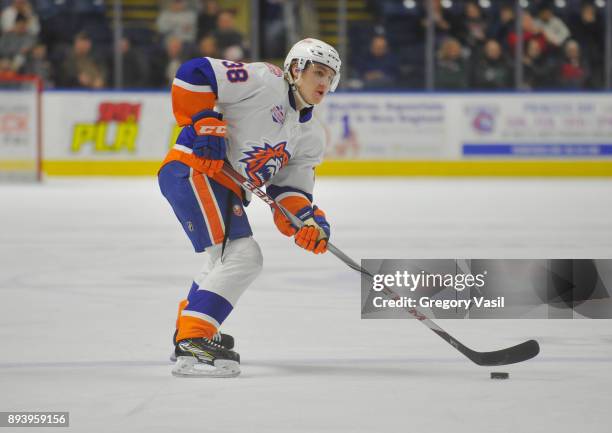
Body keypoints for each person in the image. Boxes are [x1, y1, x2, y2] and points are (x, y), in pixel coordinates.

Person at [158, 38, 341, 377]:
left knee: (221, 260)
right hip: (194, 169)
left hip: (227, 187)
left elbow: (289, 190)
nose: (323, 83)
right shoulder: (264, 81)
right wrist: (204, 121)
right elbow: (193, 72)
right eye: (318, 73)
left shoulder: (311, 134)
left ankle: (191, 326)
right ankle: (193, 341)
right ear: (295, 69)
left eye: (330, 77)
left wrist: (306, 221)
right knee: (244, 256)